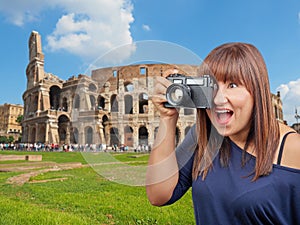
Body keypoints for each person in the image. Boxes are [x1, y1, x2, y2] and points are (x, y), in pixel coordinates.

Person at [146, 42, 300, 225]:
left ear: (257, 91)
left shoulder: (293, 149)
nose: (218, 99)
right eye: (210, 86)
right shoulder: (202, 136)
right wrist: (167, 118)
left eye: (232, 85)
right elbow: (159, 195)